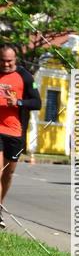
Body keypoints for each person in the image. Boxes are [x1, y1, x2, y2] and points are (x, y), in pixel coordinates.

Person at [0, 46, 42, 229]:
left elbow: (37, 103)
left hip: (15, 132)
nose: (6, 64)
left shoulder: (25, 77)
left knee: (8, 174)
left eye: (9, 61)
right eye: (2, 61)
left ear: (15, 59)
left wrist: (17, 102)